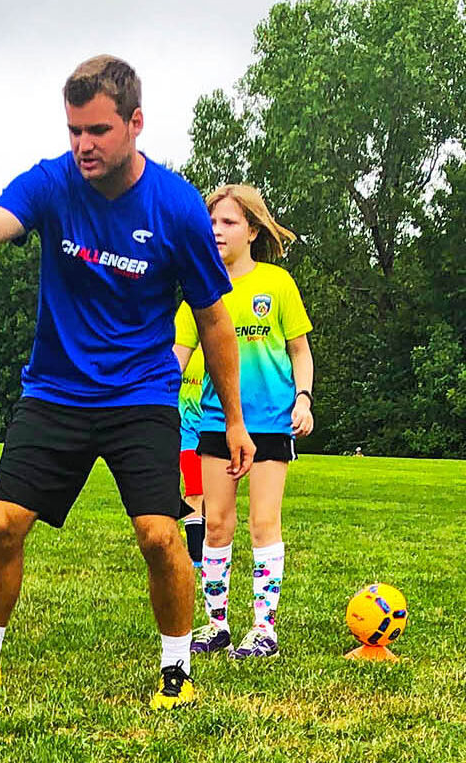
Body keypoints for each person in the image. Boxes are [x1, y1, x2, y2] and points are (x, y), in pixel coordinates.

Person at [0, 54, 253, 710]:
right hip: (55, 392)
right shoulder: (53, 184)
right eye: (74, 131)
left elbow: (214, 321)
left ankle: (176, 668)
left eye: (97, 130)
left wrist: (232, 420)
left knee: (159, 535)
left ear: (135, 122)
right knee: (4, 524)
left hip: (140, 394)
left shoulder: (176, 207)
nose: (83, 145)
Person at [173, 184, 313, 660]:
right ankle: (217, 627)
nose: (217, 231)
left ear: (252, 230)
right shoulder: (200, 287)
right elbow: (178, 355)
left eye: (228, 222)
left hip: (272, 423)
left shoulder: (277, 284)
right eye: (212, 222)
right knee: (215, 525)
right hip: (215, 421)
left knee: (263, 523)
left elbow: (300, 350)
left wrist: (304, 399)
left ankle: (264, 631)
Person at [177, 349, 206, 571]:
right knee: (194, 491)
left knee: (212, 496)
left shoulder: (217, 346)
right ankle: (196, 555)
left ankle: (208, 550)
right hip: (186, 432)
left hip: (213, 429)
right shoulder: (177, 347)